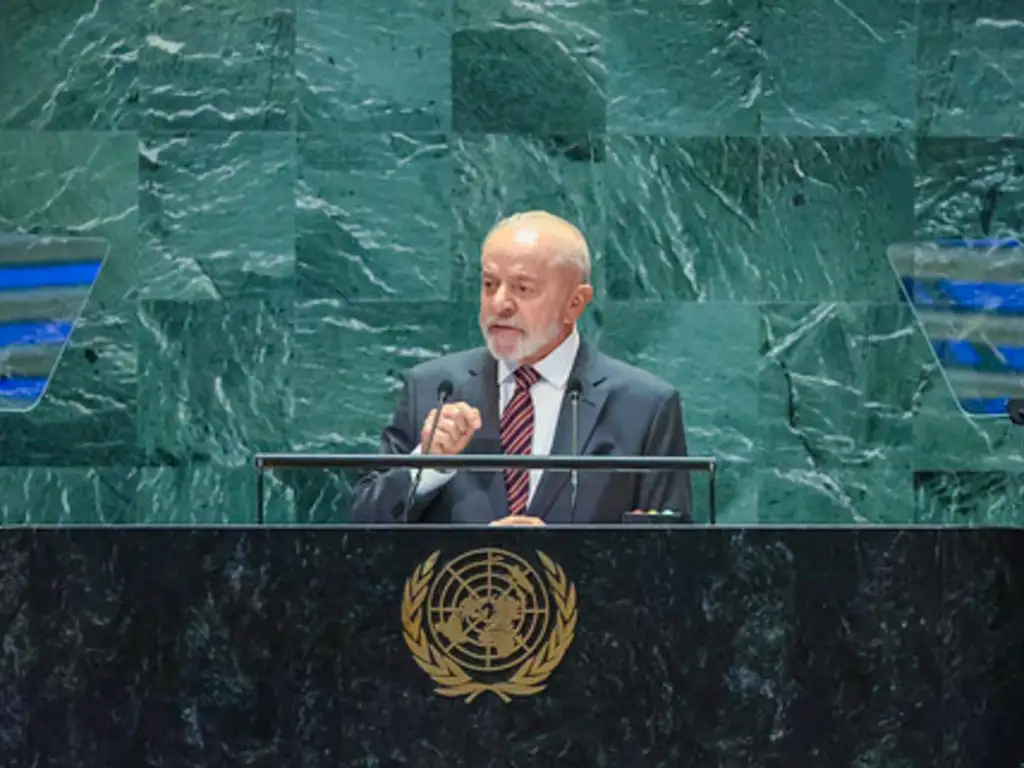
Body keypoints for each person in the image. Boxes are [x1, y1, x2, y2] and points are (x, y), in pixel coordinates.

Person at [348, 211, 693, 525]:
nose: (500, 304)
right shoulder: (432, 389)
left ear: (575, 303)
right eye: (489, 284)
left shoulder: (645, 407)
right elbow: (362, 529)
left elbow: (669, 559)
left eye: (522, 288)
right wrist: (429, 464)